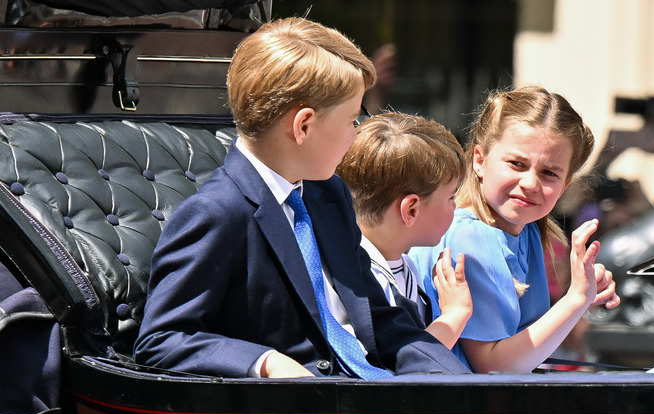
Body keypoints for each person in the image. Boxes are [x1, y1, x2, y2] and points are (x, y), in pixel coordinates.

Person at [133, 17, 470, 379]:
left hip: (370, 391)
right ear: (303, 126)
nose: (355, 137)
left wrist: (452, 383)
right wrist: (266, 362)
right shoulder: (217, 213)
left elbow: (375, 316)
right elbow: (162, 338)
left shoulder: (329, 194)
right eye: (351, 122)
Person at [408, 85, 621, 373]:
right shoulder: (471, 236)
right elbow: (494, 367)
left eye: (549, 173)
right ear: (479, 161)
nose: (531, 183)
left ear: (564, 185)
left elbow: (528, 345)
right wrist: (575, 299)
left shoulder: (529, 231)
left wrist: (583, 295)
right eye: (516, 164)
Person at [336, 112, 471, 349]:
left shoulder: (404, 265)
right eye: (451, 196)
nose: (455, 205)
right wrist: (456, 313)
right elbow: (402, 364)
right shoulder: (359, 278)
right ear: (411, 210)